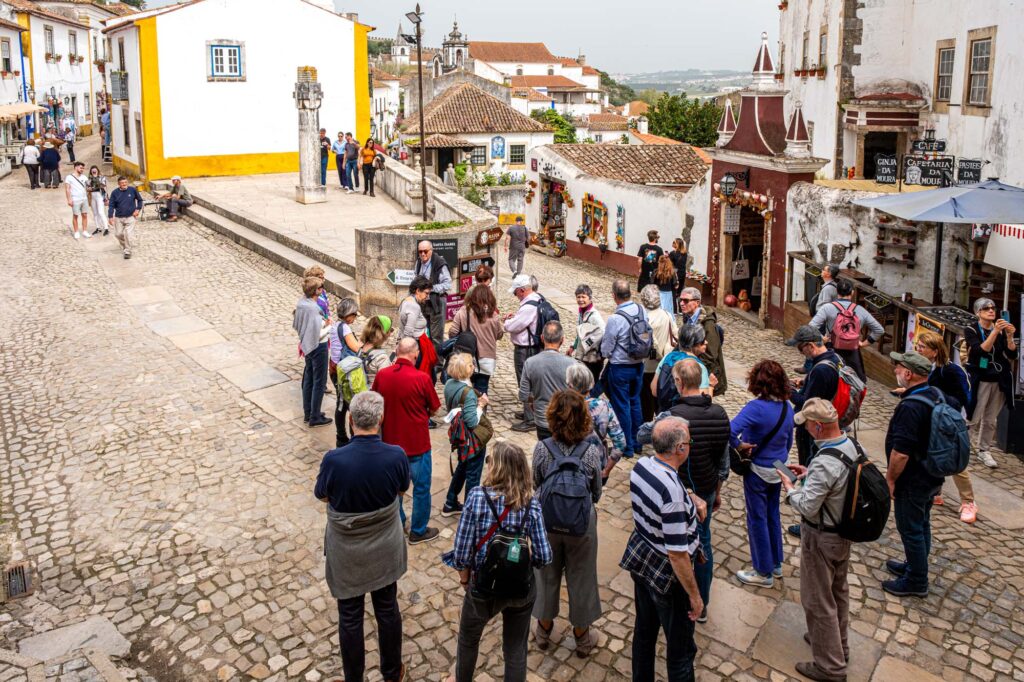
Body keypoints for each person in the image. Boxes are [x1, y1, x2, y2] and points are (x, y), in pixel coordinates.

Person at [315, 391, 409, 682]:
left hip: (348, 550)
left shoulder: (334, 460)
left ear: (352, 421)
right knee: (387, 609)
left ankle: (354, 677)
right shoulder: (395, 456)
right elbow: (401, 491)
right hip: (383, 546)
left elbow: (323, 495)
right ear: (381, 419)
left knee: (351, 616)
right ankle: (392, 672)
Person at [442, 442, 552, 682]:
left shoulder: (476, 498)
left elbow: (461, 552)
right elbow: (544, 555)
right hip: (520, 589)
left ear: (497, 468)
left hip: (483, 586)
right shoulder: (531, 503)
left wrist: (464, 579)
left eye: (490, 461)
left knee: (469, 640)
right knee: (514, 649)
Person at [637, 359, 729, 620]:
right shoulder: (720, 413)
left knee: (675, 543)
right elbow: (723, 461)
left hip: (681, 489)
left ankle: (682, 595)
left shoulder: (672, 416)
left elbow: (643, 435)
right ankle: (703, 602)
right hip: (708, 487)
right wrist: (718, 490)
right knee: (704, 542)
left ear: (678, 382)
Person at [780, 398, 857, 682]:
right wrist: (808, 474)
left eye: (808, 426)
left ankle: (830, 666)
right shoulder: (848, 445)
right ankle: (839, 646)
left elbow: (807, 506)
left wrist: (790, 488)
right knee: (838, 592)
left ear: (817, 426)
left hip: (822, 536)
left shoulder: (825, 461)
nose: (806, 431)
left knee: (817, 599)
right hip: (841, 534)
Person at [624, 417, 703, 682]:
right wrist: (695, 595)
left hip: (642, 559)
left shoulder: (642, 466)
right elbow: (678, 554)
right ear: (680, 448)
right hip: (667, 575)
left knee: (644, 633)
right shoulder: (672, 495)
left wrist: (690, 496)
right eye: (689, 441)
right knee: (680, 651)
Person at [532, 391, 604, 657]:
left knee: (546, 574)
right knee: (582, 575)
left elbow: (536, 483)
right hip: (581, 522)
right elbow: (596, 490)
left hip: (547, 521)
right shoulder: (591, 451)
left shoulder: (542, 448)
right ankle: (582, 637)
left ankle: (543, 629)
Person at [883, 351, 947, 598]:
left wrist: (890, 479)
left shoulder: (911, 407)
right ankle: (914, 565)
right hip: (932, 473)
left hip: (913, 478)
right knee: (922, 523)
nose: (896, 372)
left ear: (908, 374)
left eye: (898, 368)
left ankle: (917, 579)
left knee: (910, 527)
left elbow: (901, 452)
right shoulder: (935, 394)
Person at [730, 359, 794, 588]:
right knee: (772, 514)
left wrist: (738, 446)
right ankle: (776, 562)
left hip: (758, 468)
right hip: (778, 468)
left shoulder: (756, 408)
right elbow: (788, 441)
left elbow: (730, 430)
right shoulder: (788, 407)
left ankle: (763, 570)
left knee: (757, 518)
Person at [372, 337, 441, 544]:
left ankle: (398, 520)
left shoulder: (383, 375)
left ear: (397, 350)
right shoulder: (422, 378)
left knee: (394, 490)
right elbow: (435, 408)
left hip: (391, 443)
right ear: (415, 353)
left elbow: (374, 401)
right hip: (417, 444)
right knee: (421, 489)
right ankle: (418, 530)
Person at [906, 331, 976, 524]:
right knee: (930, 453)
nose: (918, 350)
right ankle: (936, 490)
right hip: (929, 419)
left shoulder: (951, 371)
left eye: (922, 347)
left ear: (934, 351)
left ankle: (968, 501)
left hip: (949, 421)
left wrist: (936, 399)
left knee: (953, 459)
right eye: (917, 346)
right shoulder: (923, 369)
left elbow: (964, 398)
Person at [963, 297, 1017, 469]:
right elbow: (980, 351)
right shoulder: (971, 329)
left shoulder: (1001, 330)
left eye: (993, 308)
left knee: (991, 418)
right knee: (974, 415)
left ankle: (983, 449)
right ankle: (963, 446)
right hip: (981, 377)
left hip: (999, 378)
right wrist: (995, 332)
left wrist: (1009, 336)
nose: (991, 311)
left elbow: (1012, 355)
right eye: (986, 309)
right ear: (978, 312)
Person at [601, 280, 647, 457]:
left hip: (620, 368)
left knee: (622, 406)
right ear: (630, 293)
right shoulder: (641, 310)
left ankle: (626, 447)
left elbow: (606, 348)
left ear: (614, 296)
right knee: (635, 402)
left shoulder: (615, 318)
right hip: (638, 365)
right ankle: (637, 443)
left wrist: (606, 353)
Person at [442, 353, 490, 517]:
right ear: (467, 369)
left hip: (459, 435)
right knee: (473, 474)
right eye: (471, 364)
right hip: (471, 438)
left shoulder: (449, 383)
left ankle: (450, 502)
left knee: (462, 467)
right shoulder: (468, 393)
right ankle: (471, 512)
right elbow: (472, 421)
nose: (473, 367)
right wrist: (481, 404)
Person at [808, 279, 884, 382]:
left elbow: (811, 326)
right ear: (852, 292)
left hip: (832, 349)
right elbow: (879, 330)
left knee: (829, 379)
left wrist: (822, 339)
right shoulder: (860, 310)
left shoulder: (827, 308)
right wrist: (864, 343)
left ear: (837, 292)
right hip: (852, 351)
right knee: (854, 381)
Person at [786, 325, 841, 466]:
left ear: (810, 346)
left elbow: (807, 404)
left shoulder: (820, 370)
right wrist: (805, 382)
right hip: (827, 419)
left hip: (812, 427)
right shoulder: (834, 358)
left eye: (800, 348)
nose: (800, 353)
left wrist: (788, 390)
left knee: (807, 464)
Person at [566, 363, 626, 480]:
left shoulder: (560, 406)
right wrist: (606, 470)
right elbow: (621, 443)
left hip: (566, 466)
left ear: (569, 385)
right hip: (595, 466)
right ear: (592, 384)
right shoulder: (603, 406)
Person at [519, 322, 577, 440]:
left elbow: (523, 395)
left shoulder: (530, 363)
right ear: (562, 340)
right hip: (565, 420)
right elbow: (578, 394)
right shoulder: (572, 364)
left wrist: (534, 401)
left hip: (542, 419)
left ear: (542, 338)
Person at [449, 282, 503, 394]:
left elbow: (452, 332)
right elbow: (499, 335)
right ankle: (480, 410)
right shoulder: (493, 315)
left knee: (464, 388)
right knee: (482, 389)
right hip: (487, 358)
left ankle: (466, 409)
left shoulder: (464, 311)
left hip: (467, 356)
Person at [504, 274, 542, 431]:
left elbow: (512, 327)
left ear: (521, 290)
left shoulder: (528, 307)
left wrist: (506, 321)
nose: (515, 295)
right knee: (530, 382)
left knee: (525, 382)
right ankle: (530, 412)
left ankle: (531, 418)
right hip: (532, 348)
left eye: (515, 292)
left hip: (525, 350)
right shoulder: (537, 298)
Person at [294, 276, 331, 427]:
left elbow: (299, 325)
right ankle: (315, 416)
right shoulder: (313, 309)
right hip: (318, 346)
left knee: (308, 379)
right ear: (316, 291)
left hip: (306, 345)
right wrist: (330, 327)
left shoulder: (302, 303)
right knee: (319, 381)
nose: (322, 290)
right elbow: (318, 333)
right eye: (321, 287)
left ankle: (308, 412)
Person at [678, 287, 727, 396]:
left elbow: (710, 355)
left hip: (701, 373)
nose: (681, 303)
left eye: (686, 301)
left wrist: (692, 369)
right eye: (680, 300)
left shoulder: (708, 324)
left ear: (697, 302)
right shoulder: (688, 318)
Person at [640, 285, 678, 422]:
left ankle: (647, 424)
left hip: (648, 364)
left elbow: (645, 342)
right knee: (660, 397)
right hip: (663, 363)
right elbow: (676, 334)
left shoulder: (645, 319)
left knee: (646, 399)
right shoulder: (667, 314)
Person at [651, 325, 713, 408]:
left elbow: (654, 391)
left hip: (666, 414)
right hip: (686, 417)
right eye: (702, 340)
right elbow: (703, 403)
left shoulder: (668, 357)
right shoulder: (698, 367)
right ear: (694, 343)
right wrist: (711, 386)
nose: (706, 342)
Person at [797, 264, 840, 375]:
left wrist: (819, 319)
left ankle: (809, 367)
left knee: (813, 343)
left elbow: (825, 307)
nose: (822, 271)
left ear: (828, 274)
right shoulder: (830, 286)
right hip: (824, 321)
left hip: (823, 322)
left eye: (824, 270)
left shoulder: (829, 288)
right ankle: (809, 366)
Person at [331, 298, 362, 447]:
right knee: (350, 404)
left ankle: (341, 437)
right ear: (349, 314)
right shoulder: (345, 328)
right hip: (344, 370)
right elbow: (356, 348)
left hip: (334, 367)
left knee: (340, 403)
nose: (355, 317)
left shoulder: (335, 325)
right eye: (354, 314)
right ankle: (351, 438)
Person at [412, 240, 452, 344]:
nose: (422, 254)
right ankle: (427, 358)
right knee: (424, 334)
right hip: (423, 303)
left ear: (431, 250)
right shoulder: (418, 262)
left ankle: (437, 360)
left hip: (436, 303)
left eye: (425, 251)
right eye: (420, 251)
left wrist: (430, 289)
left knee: (436, 337)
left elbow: (447, 284)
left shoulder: (440, 263)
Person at [569, 285, 605, 390]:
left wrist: (587, 344)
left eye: (583, 297)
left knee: (589, 386)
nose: (580, 300)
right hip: (583, 358)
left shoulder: (594, 316)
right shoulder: (582, 312)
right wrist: (573, 346)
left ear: (590, 298)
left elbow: (602, 332)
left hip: (592, 360)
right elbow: (580, 332)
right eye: (578, 297)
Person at [107, 176, 144, 260]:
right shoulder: (114, 193)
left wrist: (138, 209)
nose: (124, 184)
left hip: (131, 216)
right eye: (122, 183)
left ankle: (127, 251)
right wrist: (110, 216)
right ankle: (125, 245)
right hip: (119, 217)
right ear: (118, 184)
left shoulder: (132, 190)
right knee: (118, 234)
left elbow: (140, 200)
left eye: (125, 182)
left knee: (127, 233)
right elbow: (111, 205)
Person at [357, 315, 394, 386]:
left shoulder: (360, 347)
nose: (390, 334)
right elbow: (385, 384)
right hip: (373, 394)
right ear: (384, 332)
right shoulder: (382, 358)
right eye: (390, 330)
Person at [64, 162, 92, 240]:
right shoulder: (69, 177)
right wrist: (69, 199)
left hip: (84, 199)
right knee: (75, 215)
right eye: (81, 168)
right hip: (75, 199)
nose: (82, 169)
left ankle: (85, 231)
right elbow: (67, 189)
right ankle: (76, 231)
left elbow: (88, 187)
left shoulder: (84, 177)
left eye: (83, 168)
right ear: (76, 167)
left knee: (85, 215)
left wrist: (90, 188)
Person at [87, 166, 109, 237]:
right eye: (92, 170)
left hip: (99, 196)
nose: (93, 171)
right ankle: (98, 227)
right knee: (95, 213)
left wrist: (106, 198)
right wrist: (89, 188)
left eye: (95, 170)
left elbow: (103, 186)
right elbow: (88, 188)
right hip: (93, 196)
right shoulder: (89, 179)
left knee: (101, 212)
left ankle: (106, 228)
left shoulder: (102, 178)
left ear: (97, 170)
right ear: (91, 171)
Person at [668, 239, 688, 312]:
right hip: (682, 274)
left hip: (675, 275)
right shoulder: (685, 253)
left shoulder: (672, 253)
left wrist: (667, 257)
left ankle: (674, 310)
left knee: (673, 292)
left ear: (677, 244)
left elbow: (669, 265)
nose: (672, 243)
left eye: (674, 242)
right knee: (680, 292)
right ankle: (681, 309)